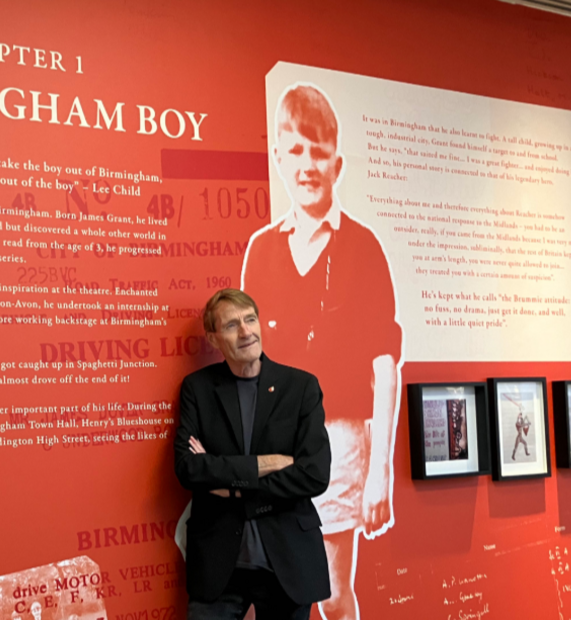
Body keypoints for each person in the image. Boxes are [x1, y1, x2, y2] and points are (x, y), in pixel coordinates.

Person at [241, 83, 402, 620]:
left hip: (339, 443)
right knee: (281, 593)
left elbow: (385, 365)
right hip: (272, 446)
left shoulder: (363, 248)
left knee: (332, 595)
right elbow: (249, 364)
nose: (307, 165)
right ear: (279, 159)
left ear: (338, 162)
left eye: (318, 151)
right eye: (296, 151)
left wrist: (380, 471)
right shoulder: (261, 251)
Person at [175, 288, 331, 620]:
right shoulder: (198, 389)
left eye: (250, 320)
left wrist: (232, 485)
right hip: (219, 566)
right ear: (214, 339)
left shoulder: (300, 387)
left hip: (287, 561)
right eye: (232, 325)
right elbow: (189, 467)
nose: (246, 332)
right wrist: (268, 463)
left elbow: (314, 474)